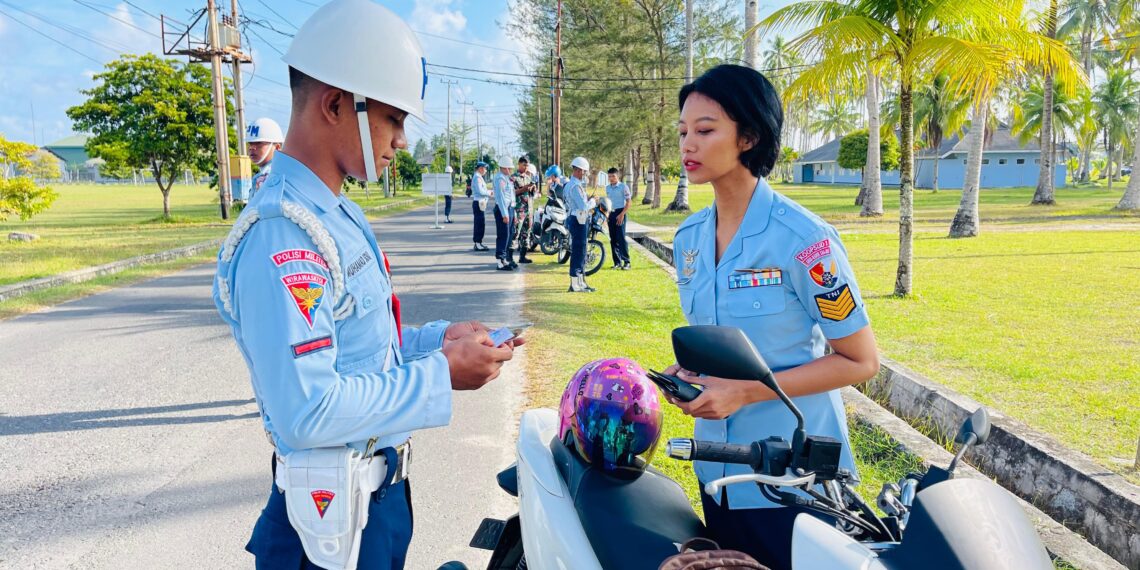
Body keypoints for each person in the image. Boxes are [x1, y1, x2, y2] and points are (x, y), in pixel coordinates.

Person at [211, 1, 520, 567]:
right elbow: (309, 409)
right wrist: (440, 374)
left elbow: (358, 352)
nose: (401, 140)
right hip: (325, 529)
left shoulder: (333, 212)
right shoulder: (284, 232)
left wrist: (436, 340)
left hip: (373, 502)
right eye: (394, 119)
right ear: (335, 104)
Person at [664, 64, 880, 570]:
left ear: (749, 136)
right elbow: (719, 345)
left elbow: (860, 360)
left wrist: (744, 392)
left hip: (791, 485)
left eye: (705, 130)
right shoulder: (688, 239)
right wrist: (691, 379)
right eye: (682, 132)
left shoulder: (807, 242)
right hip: (716, 475)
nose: (687, 145)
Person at [564, 156, 595, 292]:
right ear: (577, 170)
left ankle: (581, 281)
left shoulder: (572, 185)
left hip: (578, 219)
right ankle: (575, 283)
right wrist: (593, 202)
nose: (585, 174)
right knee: (578, 251)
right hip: (578, 219)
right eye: (584, 171)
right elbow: (583, 206)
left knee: (582, 250)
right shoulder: (575, 186)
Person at [246, 117, 284, 197]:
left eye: (258, 143)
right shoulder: (263, 174)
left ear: (277, 147)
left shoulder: (270, 176)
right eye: (250, 143)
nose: (252, 148)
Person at [510, 156, 537, 264]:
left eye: (527, 165)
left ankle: (522, 256)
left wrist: (532, 189)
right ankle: (510, 258)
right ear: (519, 164)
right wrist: (523, 189)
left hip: (528, 210)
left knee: (526, 234)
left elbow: (531, 194)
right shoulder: (513, 178)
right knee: (515, 233)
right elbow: (512, 193)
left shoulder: (528, 177)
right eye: (524, 165)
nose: (526, 167)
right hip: (519, 210)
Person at [604, 167, 632, 270]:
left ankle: (627, 262)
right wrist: (606, 215)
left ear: (617, 176)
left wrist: (622, 214)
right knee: (613, 239)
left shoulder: (623, 187)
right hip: (611, 213)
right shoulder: (607, 188)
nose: (611, 178)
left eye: (613, 176)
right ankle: (617, 262)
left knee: (621, 238)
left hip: (621, 213)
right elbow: (608, 202)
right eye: (609, 176)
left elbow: (629, 202)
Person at [492, 160, 516, 270]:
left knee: (509, 234)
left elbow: (511, 196)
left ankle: (505, 259)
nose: (510, 170)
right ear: (504, 168)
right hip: (503, 210)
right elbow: (501, 197)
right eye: (509, 168)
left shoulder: (506, 178)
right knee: (503, 235)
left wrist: (513, 213)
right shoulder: (499, 178)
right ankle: (500, 261)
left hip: (509, 209)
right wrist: (504, 214)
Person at [471, 162, 490, 251]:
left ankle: (478, 242)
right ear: (481, 168)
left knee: (480, 223)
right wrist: (489, 193)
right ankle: (478, 243)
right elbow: (480, 191)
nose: (485, 171)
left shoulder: (478, 177)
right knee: (479, 223)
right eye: (485, 169)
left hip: (480, 202)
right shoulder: (477, 177)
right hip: (479, 202)